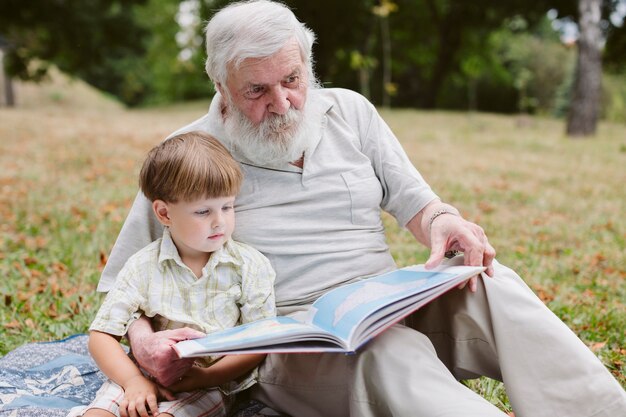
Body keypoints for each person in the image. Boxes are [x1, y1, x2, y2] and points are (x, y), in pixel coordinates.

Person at [98, 1, 626, 416]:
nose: (282, 104)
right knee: (390, 355)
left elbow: (417, 202)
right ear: (221, 87)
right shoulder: (189, 154)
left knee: (491, 282)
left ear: (307, 65)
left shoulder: (349, 111)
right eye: (257, 90)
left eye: (292, 80)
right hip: (291, 340)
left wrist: (447, 224)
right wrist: (145, 345)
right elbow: (125, 281)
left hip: (383, 300)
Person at [82, 131, 276, 417]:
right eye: (202, 212)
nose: (219, 221)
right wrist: (133, 381)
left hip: (207, 383)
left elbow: (260, 341)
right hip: (139, 374)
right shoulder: (142, 265)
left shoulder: (248, 266)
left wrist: (209, 377)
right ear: (164, 213)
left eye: (227, 206)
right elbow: (101, 335)